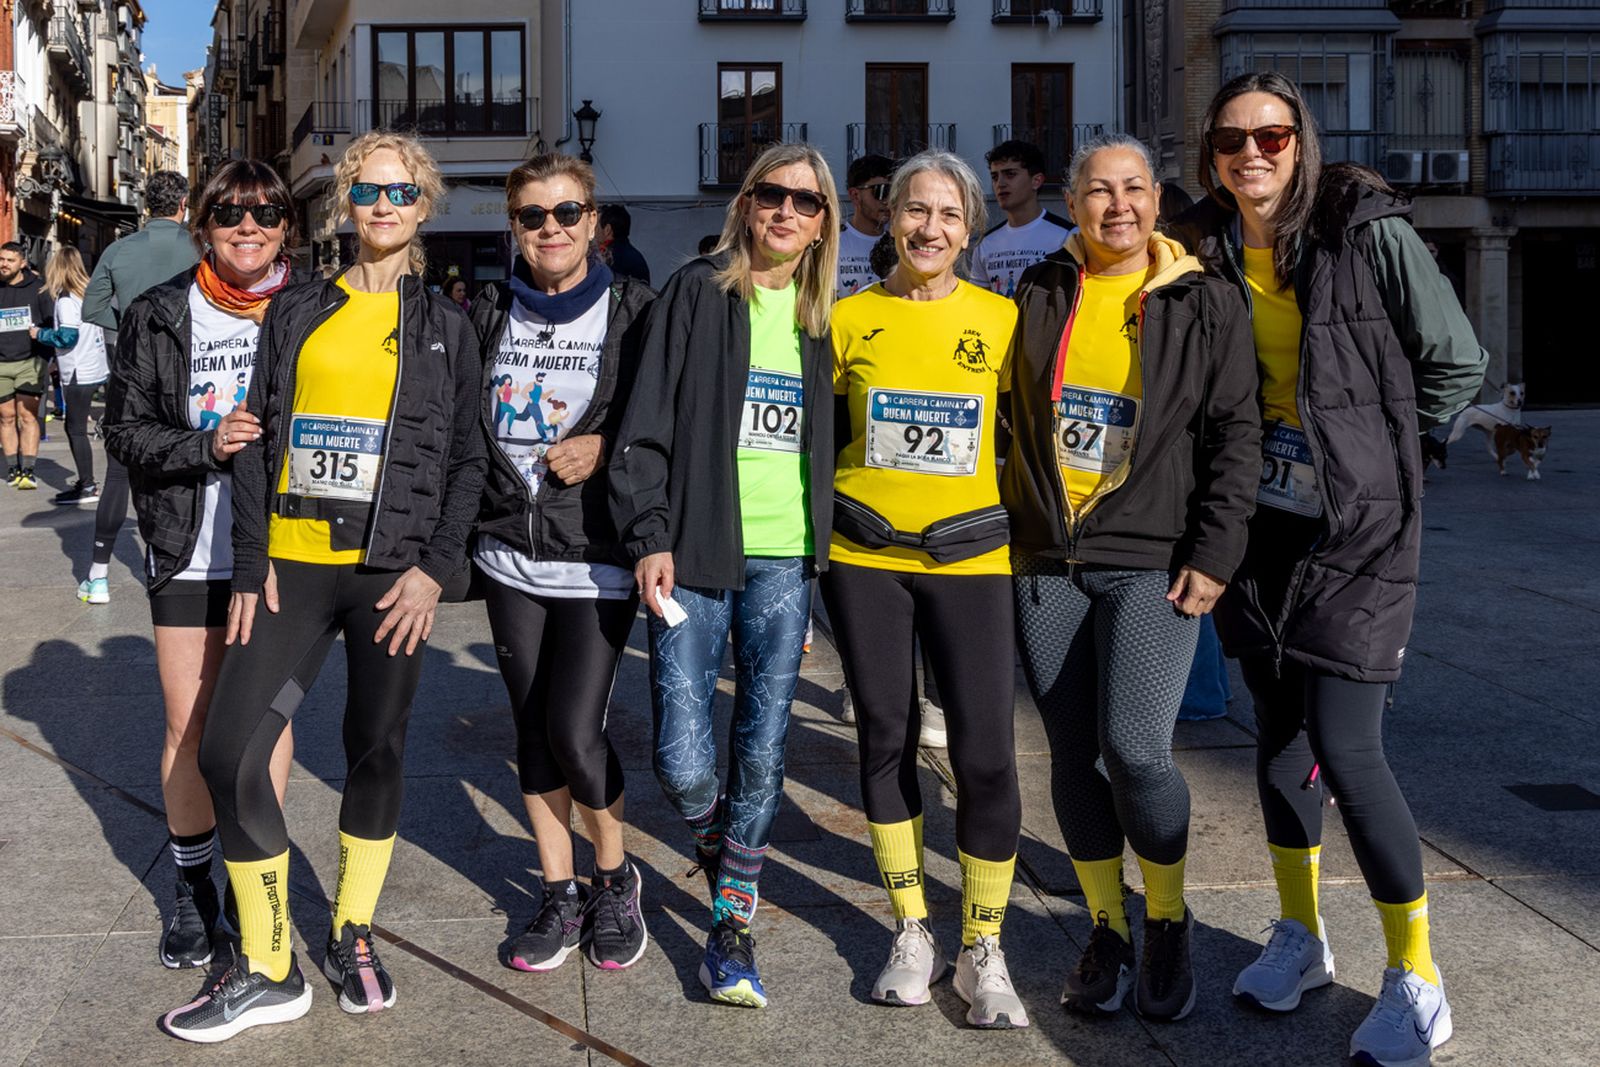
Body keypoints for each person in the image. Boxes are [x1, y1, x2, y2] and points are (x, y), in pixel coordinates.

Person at [1175, 71, 1486, 1066]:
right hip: (1255, 526)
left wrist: (1391, 460)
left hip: (1357, 529)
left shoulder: (1365, 226)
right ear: (1211, 152)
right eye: (1232, 138)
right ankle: (1301, 936)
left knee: (1347, 746)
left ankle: (1415, 976)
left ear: (1299, 140)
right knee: (1274, 735)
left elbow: (1455, 359)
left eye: (1271, 135)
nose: (1252, 153)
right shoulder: (1204, 238)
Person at [161, 131, 486, 1042]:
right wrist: (254, 562)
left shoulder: (449, 325)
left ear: (425, 206)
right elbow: (261, 441)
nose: (383, 206)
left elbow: (468, 462)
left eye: (401, 192)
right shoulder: (299, 310)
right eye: (368, 191)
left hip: (391, 576)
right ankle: (269, 963)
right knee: (227, 753)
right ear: (345, 204)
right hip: (296, 566)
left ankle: (352, 929)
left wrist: (433, 568)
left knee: (373, 748)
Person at [1000, 133, 1260, 1022]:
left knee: (1137, 748)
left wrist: (1216, 553)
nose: (1118, 206)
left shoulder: (1204, 297)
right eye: (1099, 190)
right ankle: (1108, 928)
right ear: (1072, 203)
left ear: (1158, 198)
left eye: (1135, 188)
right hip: (1048, 556)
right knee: (1072, 754)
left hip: (1153, 557)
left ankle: (1169, 916)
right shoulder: (1039, 286)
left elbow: (1236, 433)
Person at [609, 142, 839, 1009]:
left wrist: (821, 563)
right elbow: (645, 424)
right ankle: (731, 864)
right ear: (746, 205)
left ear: (823, 226)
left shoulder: (824, 320)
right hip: (694, 553)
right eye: (772, 195)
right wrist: (649, 533)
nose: (786, 212)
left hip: (786, 557)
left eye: (806, 203)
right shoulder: (697, 295)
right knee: (681, 759)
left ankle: (730, 926)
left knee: (765, 744)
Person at [822, 149, 1027, 1029]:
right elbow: (818, 441)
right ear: (888, 216)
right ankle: (912, 927)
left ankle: (985, 944)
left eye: (948, 214)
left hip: (970, 556)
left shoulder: (1006, 320)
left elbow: (1029, 440)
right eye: (915, 210)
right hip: (867, 555)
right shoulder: (843, 320)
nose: (930, 228)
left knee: (984, 754)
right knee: (884, 739)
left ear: (969, 228)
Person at [102, 159, 305, 973]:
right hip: (188, 546)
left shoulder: (312, 308)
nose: (247, 226)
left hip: (286, 554)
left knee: (266, 724)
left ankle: (256, 878)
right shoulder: (159, 313)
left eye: (264, 212)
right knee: (188, 728)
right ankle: (193, 889)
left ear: (287, 224)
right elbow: (124, 431)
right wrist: (204, 445)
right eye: (229, 213)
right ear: (201, 223)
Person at [470, 154, 655, 974]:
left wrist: (608, 445)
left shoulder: (634, 312)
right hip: (511, 554)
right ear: (515, 226)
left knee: (577, 733)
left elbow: (668, 424)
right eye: (534, 217)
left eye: (568, 214)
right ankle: (559, 888)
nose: (552, 229)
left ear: (594, 223)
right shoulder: (486, 312)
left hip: (596, 558)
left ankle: (614, 875)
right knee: (532, 735)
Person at [79, 170, 202, 603]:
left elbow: (92, 307)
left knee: (117, 473)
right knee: (199, 463)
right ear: (184, 203)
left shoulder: (118, 249)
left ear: (147, 206)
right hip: (191, 371)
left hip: (132, 373)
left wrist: (131, 331)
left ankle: (97, 576)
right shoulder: (199, 246)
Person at [32, 247, 107, 505]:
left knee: (75, 429)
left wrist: (39, 334)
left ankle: (87, 484)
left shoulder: (65, 300)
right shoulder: (86, 295)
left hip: (78, 371)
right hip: (93, 366)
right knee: (74, 427)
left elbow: (67, 336)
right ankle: (85, 482)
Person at [969, 140, 1072, 297]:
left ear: (1036, 181)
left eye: (1010, 174)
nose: (1000, 184)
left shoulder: (1068, 237)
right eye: (995, 177)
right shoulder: (985, 244)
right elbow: (978, 303)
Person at [0, 242, 54, 489]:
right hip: (1, 364)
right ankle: (12, 468)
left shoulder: (39, 288)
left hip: (29, 361)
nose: (4, 264)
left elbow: (52, 323)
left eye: (10, 260)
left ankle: (28, 470)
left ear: (22, 262)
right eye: (1, 259)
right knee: (6, 417)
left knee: (27, 416)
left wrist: (47, 357)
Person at [836, 153, 894, 299]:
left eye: (895, 192)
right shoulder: (834, 243)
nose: (888, 200)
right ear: (855, 195)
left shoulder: (901, 242)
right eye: (881, 191)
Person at [598, 203, 651, 286]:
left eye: (596, 227)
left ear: (607, 230)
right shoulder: (634, 255)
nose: (591, 232)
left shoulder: (610, 258)